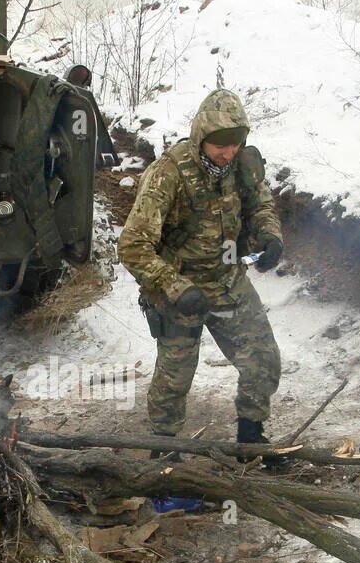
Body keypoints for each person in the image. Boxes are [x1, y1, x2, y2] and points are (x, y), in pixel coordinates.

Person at [117, 88, 287, 465]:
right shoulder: (168, 173)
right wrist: (175, 287)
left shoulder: (243, 163)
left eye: (234, 143)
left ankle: (250, 438)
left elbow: (261, 203)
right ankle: (165, 451)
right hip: (178, 287)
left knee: (262, 358)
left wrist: (271, 235)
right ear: (200, 137)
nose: (227, 153)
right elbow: (132, 245)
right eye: (219, 145)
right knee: (175, 375)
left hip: (228, 280)